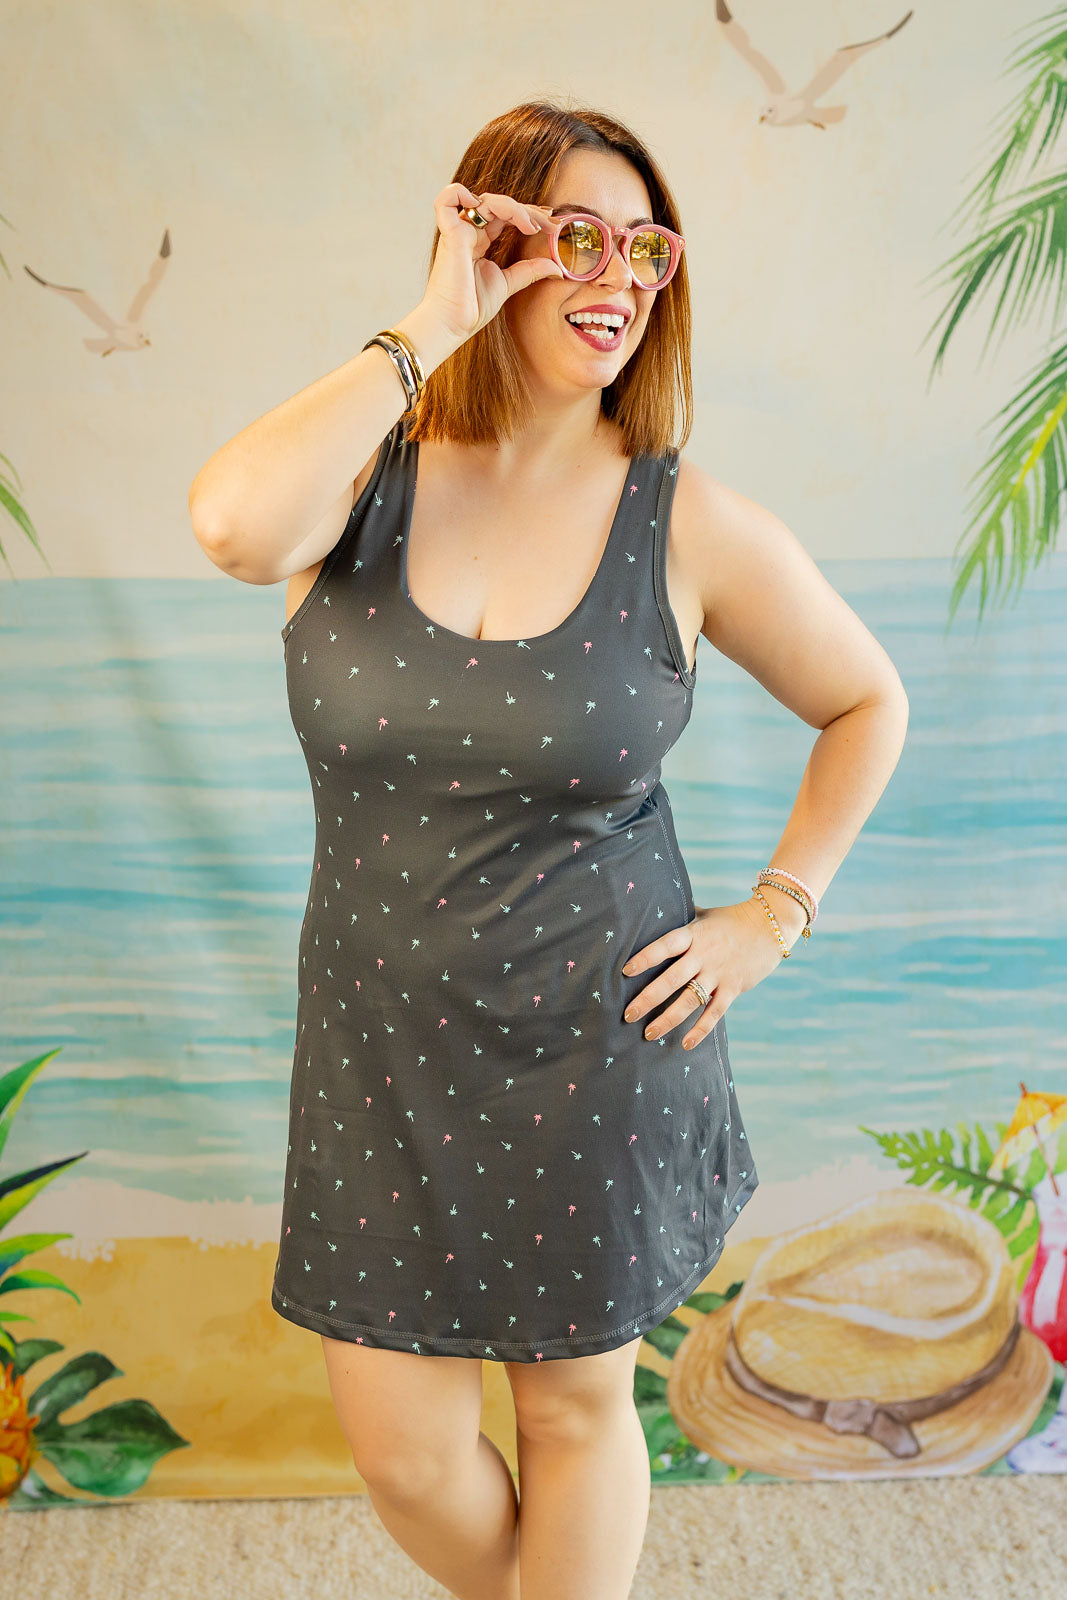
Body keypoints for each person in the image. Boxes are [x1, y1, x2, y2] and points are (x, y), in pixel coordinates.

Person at [189, 98, 908, 1600]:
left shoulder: (686, 522)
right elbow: (232, 526)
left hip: (597, 1041)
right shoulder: (358, 487)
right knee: (403, 1455)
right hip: (380, 1049)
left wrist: (775, 915)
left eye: (646, 250)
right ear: (493, 243)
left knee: (574, 1412)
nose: (620, 277)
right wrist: (427, 326)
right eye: (576, 237)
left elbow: (866, 702)